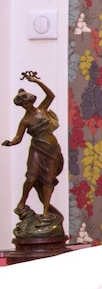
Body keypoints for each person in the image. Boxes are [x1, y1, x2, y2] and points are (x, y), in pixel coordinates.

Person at [3, 71, 64, 225]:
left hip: (52, 150)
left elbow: (51, 96)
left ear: (31, 101)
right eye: (23, 104)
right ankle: (22, 202)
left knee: (48, 181)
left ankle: (46, 212)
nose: (26, 105)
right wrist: (10, 142)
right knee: (31, 177)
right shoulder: (25, 120)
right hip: (37, 149)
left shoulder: (42, 109)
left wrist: (37, 81)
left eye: (27, 102)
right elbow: (18, 137)